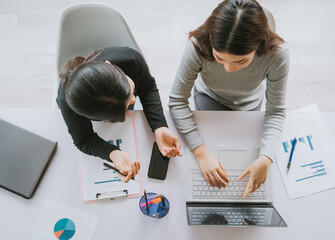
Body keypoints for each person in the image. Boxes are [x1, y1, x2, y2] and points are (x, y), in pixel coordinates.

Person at [169, 0, 289, 198]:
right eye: (219, 58)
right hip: (208, 97)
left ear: (259, 45)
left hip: (250, 104)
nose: (228, 69)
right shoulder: (197, 46)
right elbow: (177, 101)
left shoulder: (277, 55)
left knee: (244, 158)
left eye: (241, 61)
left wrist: (266, 157)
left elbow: (276, 111)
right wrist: (200, 153)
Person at [58, 46, 182, 183]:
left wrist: (160, 126)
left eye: (132, 91)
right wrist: (113, 153)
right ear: (91, 117)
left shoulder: (130, 59)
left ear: (109, 65)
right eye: (128, 105)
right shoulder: (68, 103)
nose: (135, 99)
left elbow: (147, 87)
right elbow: (84, 140)